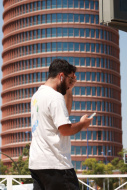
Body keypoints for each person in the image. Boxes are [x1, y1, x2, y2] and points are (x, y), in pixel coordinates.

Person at [29, 59, 93, 190]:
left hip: (38, 165)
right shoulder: (55, 97)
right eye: (70, 79)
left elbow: (64, 116)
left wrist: (69, 89)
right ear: (61, 76)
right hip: (56, 165)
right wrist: (82, 124)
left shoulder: (37, 96)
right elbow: (65, 129)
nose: (70, 82)